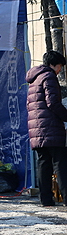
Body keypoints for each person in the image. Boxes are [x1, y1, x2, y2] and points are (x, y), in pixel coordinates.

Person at [26, 50, 67, 206]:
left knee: (44, 164)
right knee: (60, 163)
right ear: (52, 64)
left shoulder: (34, 79)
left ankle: (46, 200)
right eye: (59, 66)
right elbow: (52, 103)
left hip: (37, 129)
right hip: (51, 128)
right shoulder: (49, 76)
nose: (60, 70)